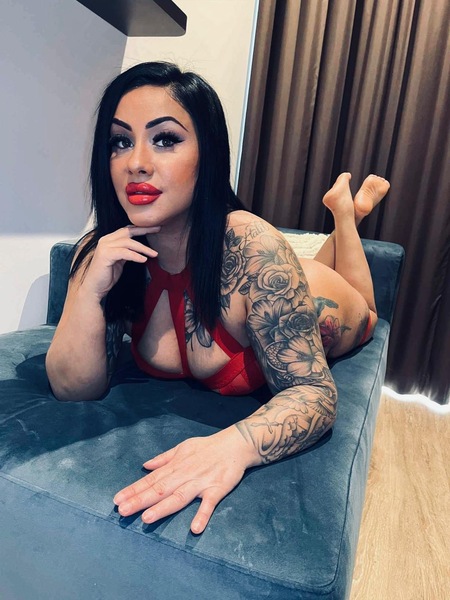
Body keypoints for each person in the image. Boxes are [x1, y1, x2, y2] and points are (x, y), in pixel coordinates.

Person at [45, 62, 389, 534]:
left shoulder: (252, 244)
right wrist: (87, 289)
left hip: (320, 299)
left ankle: (347, 216)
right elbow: (73, 389)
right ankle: (344, 219)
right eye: (119, 142)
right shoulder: (105, 253)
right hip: (270, 287)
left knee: (365, 307)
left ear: (207, 155)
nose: (135, 162)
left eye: (165, 139)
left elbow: (315, 394)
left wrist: (232, 447)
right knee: (306, 271)